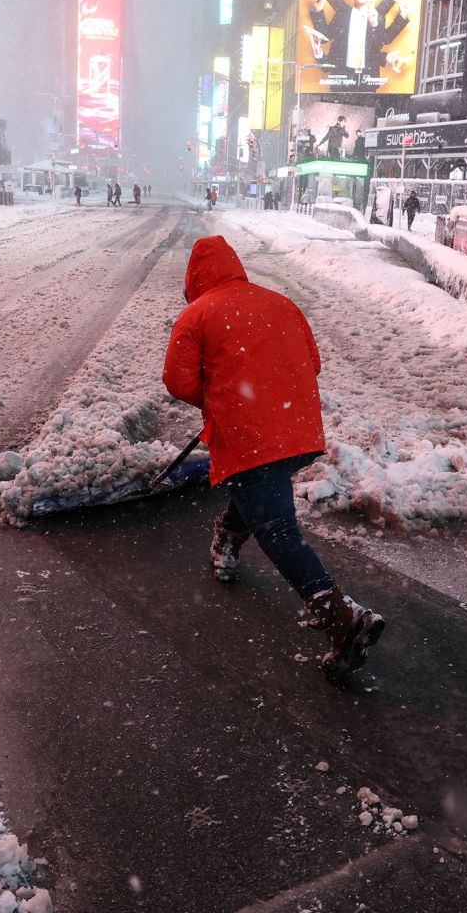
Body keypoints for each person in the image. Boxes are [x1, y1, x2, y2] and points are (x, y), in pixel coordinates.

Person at [162, 236, 386, 678]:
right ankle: (227, 542)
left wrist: (224, 397)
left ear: (194, 277)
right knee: (254, 492)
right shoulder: (282, 303)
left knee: (277, 528)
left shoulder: (197, 313)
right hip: (297, 432)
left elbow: (178, 381)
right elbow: (312, 363)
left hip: (250, 437)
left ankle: (341, 616)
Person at [306, 0, 411, 89]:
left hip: (368, 80)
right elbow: (325, 36)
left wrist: (401, 14)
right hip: (342, 79)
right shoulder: (343, 15)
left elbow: (385, 38)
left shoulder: (376, 15)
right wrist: (319, 10)